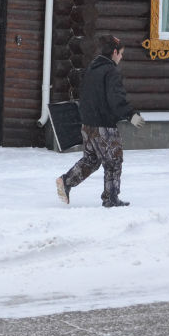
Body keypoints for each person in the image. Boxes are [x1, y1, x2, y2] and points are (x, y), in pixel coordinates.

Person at [56, 34, 145, 208]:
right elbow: (116, 98)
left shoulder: (92, 68)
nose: (121, 57)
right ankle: (111, 199)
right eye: (121, 53)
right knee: (113, 161)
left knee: (91, 160)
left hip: (88, 124)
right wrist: (131, 115)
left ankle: (66, 181)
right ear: (114, 52)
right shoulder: (111, 71)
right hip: (104, 125)